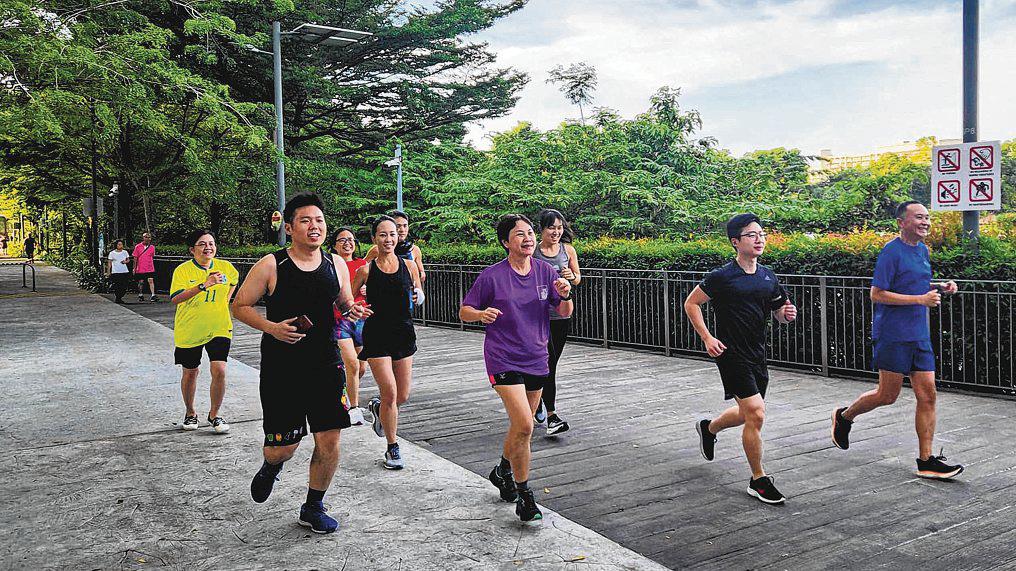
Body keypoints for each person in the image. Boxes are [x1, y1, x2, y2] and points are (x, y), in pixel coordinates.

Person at [232, 193, 369, 534]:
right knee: (283, 448)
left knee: (329, 440)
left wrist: (352, 309)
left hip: (326, 363)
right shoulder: (271, 265)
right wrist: (272, 328)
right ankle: (271, 465)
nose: (315, 226)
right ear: (289, 227)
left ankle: (313, 505)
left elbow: (343, 299)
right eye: (306, 221)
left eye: (319, 220)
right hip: (283, 369)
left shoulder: (335, 263)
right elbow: (240, 305)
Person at [831, 201, 963, 479]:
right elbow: (877, 293)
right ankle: (844, 417)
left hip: (919, 335)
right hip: (893, 334)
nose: (925, 222)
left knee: (928, 395)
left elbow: (913, 283)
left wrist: (940, 286)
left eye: (927, 217)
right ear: (902, 222)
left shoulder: (923, 251)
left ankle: (926, 460)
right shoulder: (891, 252)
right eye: (919, 217)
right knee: (887, 395)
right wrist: (920, 299)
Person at [459, 214, 573, 522]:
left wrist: (565, 294)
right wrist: (480, 314)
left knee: (522, 427)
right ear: (506, 242)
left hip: (536, 355)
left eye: (529, 233)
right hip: (503, 357)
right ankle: (525, 496)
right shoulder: (492, 276)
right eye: (519, 234)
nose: (527, 238)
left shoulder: (545, 271)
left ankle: (502, 470)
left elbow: (563, 310)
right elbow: (465, 310)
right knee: (524, 424)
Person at [684, 213, 798, 505]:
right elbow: (691, 303)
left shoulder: (768, 276)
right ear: (735, 242)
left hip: (757, 353)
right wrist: (708, 338)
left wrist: (786, 316)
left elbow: (778, 312)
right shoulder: (722, 276)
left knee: (747, 413)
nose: (759, 239)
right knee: (756, 412)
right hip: (730, 353)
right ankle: (758, 479)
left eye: (761, 234)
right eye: (751, 235)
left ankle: (709, 428)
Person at [352, 215, 423, 471]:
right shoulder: (366, 270)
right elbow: (347, 301)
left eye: (392, 234)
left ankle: (379, 408)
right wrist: (357, 308)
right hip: (377, 334)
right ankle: (392, 447)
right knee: (391, 392)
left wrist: (419, 295)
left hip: (403, 332)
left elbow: (417, 291)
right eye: (383, 235)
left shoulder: (409, 265)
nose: (389, 239)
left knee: (402, 394)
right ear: (374, 239)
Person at [169, 230, 240, 433]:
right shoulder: (182, 271)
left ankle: (215, 415)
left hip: (219, 326)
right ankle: (191, 413)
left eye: (211, 243)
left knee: (220, 370)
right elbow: (176, 298)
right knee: (191, 372)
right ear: (192, 250)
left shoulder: (225, 267)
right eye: (202, 244)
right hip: (190, 329)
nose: (208, 247)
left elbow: (233, 281)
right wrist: (204, 285)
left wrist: (226, 299)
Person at [532, 209, 581, 435]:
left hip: (561, 313)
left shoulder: (567, 250)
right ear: (541, 229)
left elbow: (578, 278)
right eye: (551, 227)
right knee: (548, 364)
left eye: (559, 227)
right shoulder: (533, 251)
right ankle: (552, 415)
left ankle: (537, 398)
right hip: (537, 315)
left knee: (551, 364)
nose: (556, 232)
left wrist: (571, 277)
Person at [331, 228, 369, 426]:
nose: (347, 243)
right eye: (342, 240)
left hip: (363, 320)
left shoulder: (363, 265)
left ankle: (345, 394)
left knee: (360, 367)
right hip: (340, 321)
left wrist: (367, 288)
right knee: (352, 364)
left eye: (351, 239)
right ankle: (353, 408)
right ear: (334, 245)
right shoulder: (331, 265)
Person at [365, 209, 426, 283]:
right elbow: (361, 268)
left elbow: (421, 274)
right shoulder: (377, 249)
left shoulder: (414, 249)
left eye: (405, 226)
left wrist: (416, 275)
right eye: (398, 226)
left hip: (407, 291)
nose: (402, 230)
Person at [133, 232, 158, 302]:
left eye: (149, 237)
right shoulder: (138, 247)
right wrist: (134, 268)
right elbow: (135, 258)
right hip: (140, 267)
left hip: (149, 267)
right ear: (143, 238)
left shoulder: (152, 247)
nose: (147, 239)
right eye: (146, 237)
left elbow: (152, 256)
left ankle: (153, 295)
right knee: (141, 282)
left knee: (151, 280)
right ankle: (140, 294)